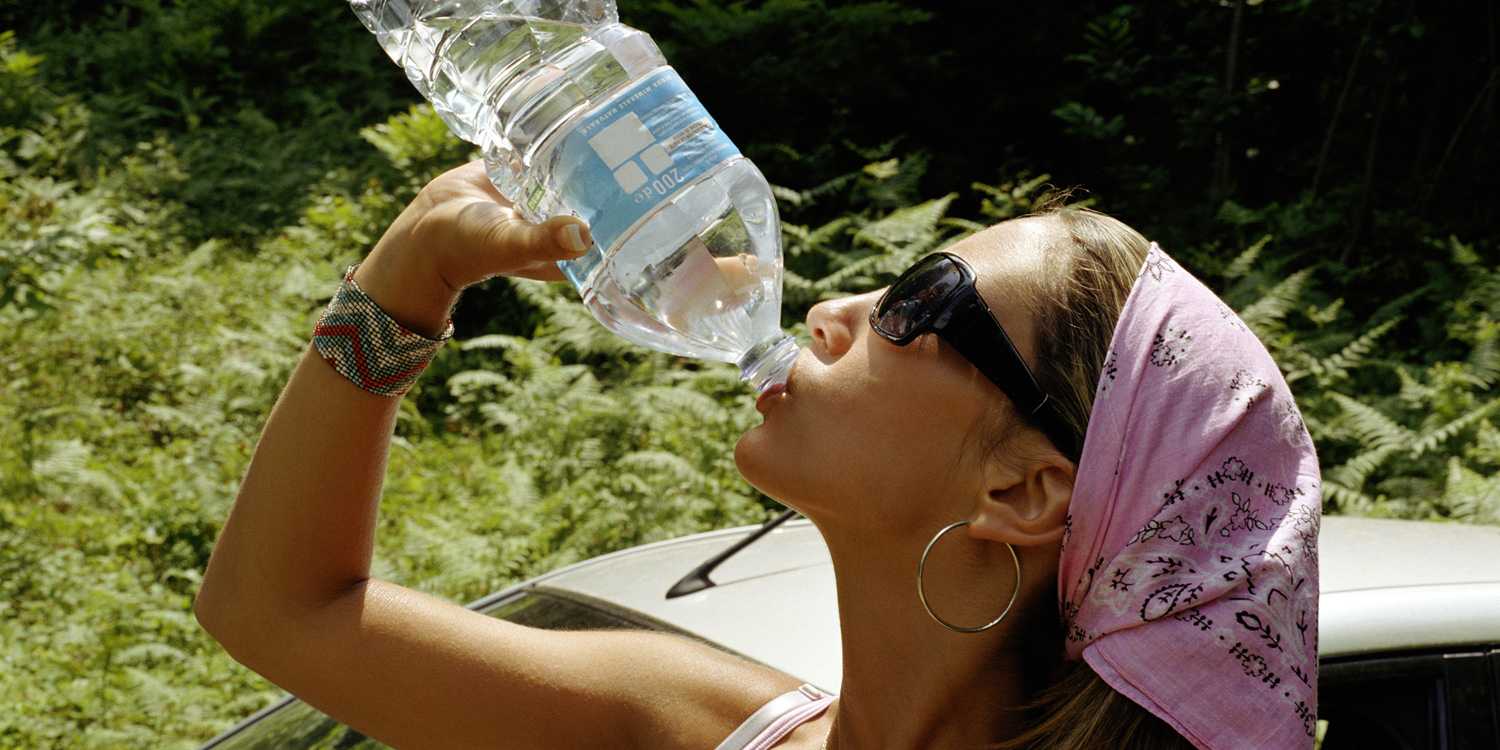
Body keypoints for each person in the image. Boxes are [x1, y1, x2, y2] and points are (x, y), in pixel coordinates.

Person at [195, 160, 1322, 749]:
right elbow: (275, 609)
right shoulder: (694, 722)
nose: (833, 310)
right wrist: (414, 269)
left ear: (1024, 489)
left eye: (922, 303)